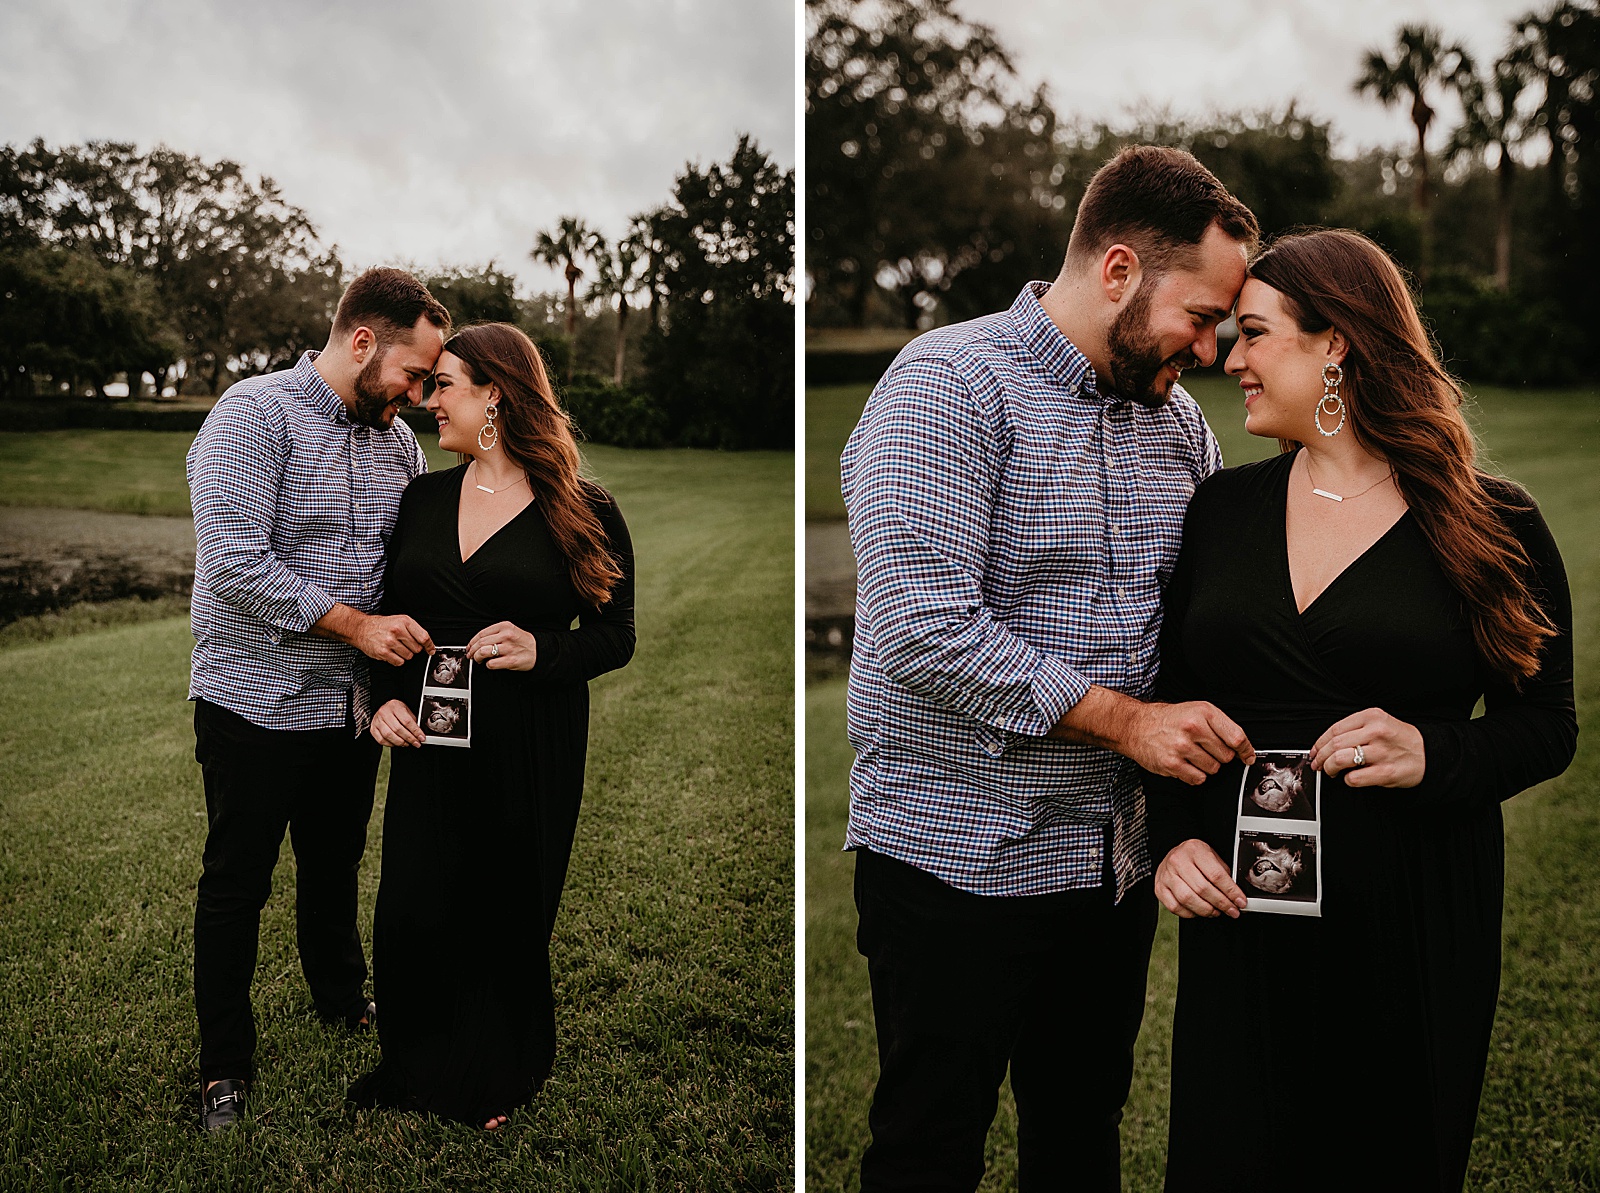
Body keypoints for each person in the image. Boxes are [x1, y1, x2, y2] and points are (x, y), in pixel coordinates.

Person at [839, 145, 1261, 1191]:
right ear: (1119, 269)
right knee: (928, 1144)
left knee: (1078, 1136)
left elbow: (1191, 629)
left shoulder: (1179, 426)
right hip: (954, 862)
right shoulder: (946, 383)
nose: (1208, 347)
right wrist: (1129, 725)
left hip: (1106, 870)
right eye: (1200, 315)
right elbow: (920, 625)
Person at [1146, 229, 1577, 1191]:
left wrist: (1435, 750)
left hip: (1412, 918)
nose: (1228, 357)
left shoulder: (1490, 521)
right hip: (1245, 924)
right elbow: (1168, 699)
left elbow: (1547, 725)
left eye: (1254, 333)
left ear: (1334, 341)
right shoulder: (1219, 511)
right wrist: (1174, 837)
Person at [347, 322, 635, 1130]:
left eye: (444, 385)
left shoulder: (584, 510)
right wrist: (385, 699)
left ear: (495, 395)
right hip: (428, 736)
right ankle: (411, 1059)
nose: (426, 400)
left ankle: (494, 1071)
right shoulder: (422, 498)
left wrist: (541, 648)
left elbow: (618, 636)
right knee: (413, 902)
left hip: (529, 740)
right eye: (430, 385)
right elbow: (383, 620)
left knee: (503, 904)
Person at [186, 268, 452, 1132]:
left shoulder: (397, 445)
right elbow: (233, 560)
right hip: (252, 703)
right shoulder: (253, 414)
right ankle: (223, 1066)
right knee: (237, 883)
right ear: (364, 341)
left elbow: (400, 573)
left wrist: (390, 672)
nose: (417, 396)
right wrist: (355, 627)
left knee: (334, 866)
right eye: (415, 374)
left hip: (348, 712)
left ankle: (341, 1000)